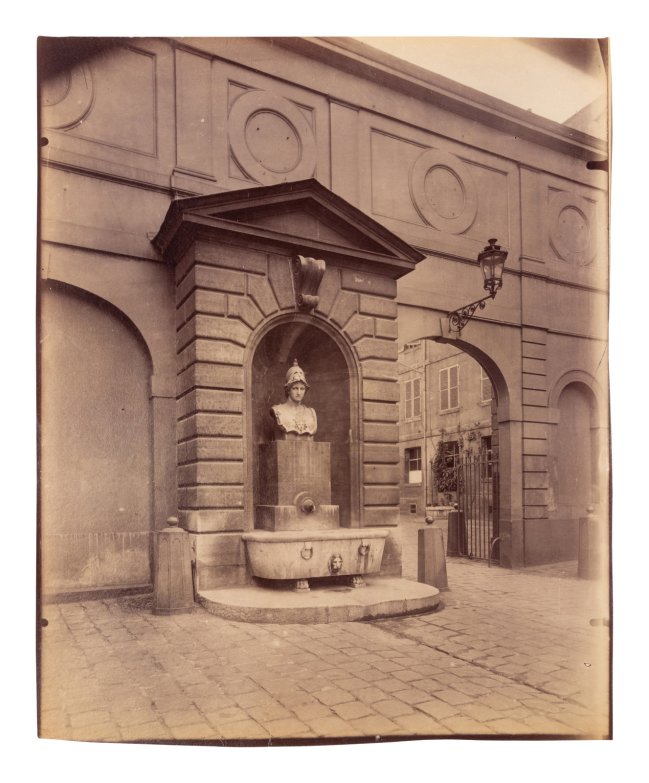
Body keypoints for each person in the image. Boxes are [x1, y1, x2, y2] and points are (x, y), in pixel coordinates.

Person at [271, 359, 317, 438]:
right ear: (288, 390)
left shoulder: (311, 412)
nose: (299, 392)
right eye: (295, 388)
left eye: (302, 389)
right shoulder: (278, 410)